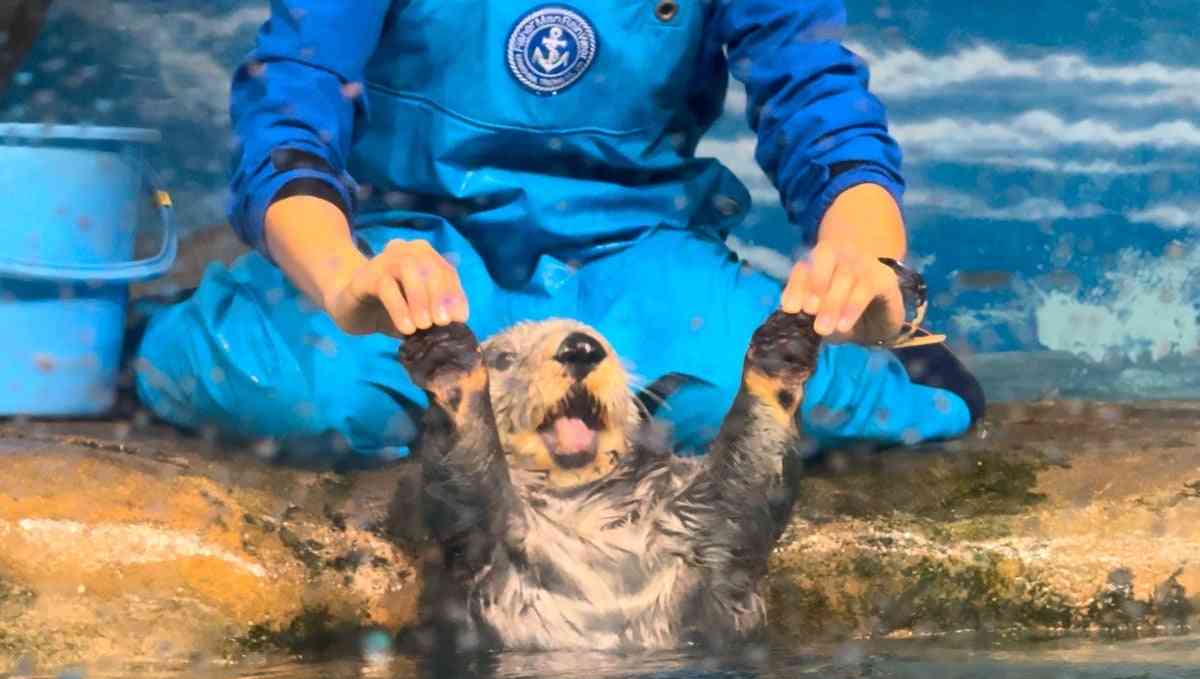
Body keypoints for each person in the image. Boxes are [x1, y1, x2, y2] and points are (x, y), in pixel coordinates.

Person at [134, 0, 985, 463]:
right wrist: (341, 279)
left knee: (750, 401)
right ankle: (178, 322)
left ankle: (898, 365)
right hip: (420, 248)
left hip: (630, 252)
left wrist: (869, 266)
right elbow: (293, 102)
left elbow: (818, 106)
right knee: (322, 396)